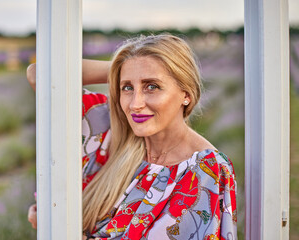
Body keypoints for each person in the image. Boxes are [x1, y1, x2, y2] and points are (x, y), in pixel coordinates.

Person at [27, 34, 237, 240]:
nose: (135, 104)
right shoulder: (110, 133)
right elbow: (40, 73)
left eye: (152, 86)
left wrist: (60, 229)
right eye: (127, 87)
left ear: (186, 94)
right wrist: (125, 66)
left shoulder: (206, 170)